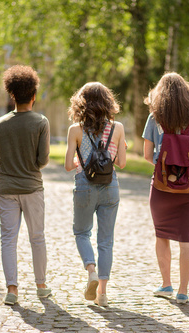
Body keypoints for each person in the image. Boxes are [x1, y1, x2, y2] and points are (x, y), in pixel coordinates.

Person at [142, 72, 189, 304]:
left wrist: (166, 165)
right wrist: (185, 162)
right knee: (187, 238)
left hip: (162, 187)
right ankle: (183, 291)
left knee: (162, 235)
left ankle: (166, 284)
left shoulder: (154, 119)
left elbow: (146, 155)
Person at [0, 64, 51, 305]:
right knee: (37, 237)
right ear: (33, 95)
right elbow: (43, 160)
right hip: (32, 189)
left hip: (6, 190)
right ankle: (41, 286)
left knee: (8, 239)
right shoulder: (41, 122)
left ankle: (12, 290)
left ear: (11, 94)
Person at [64, 82, 126, 307]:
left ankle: (90, 269)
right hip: (110, 186)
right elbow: (122, 162)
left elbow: (68, 166)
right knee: (106, 241)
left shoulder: (75, 129)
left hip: (84, 186)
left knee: (81, 232)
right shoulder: (117, 128)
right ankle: (103, 294)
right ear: (108, 102)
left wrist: (82, 160)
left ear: (80, 103)